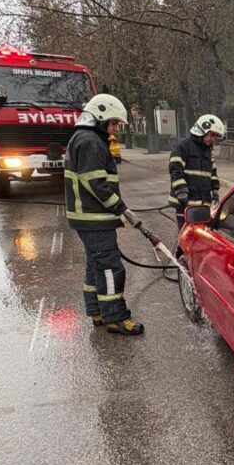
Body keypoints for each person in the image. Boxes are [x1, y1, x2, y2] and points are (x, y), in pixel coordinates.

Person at [64, 94, 144, 336]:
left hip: (89, 219)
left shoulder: (85, 139)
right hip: (94, 219)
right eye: (113, 122)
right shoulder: (90, 142)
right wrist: (121, 209)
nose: (115, 128)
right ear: (99, 117)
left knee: (95, 266)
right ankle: (115, 318)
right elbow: (96, 184)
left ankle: (97, 311)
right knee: (110, 269)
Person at [169, 114, 225, 229]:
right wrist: (181, 191)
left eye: (215, 136)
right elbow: (175, 169)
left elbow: (212, 171)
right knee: (186, 234)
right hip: (185, 204)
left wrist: (215, 188)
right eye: (212, 135)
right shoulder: (183, 146)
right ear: (202, 130)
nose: (213, 139)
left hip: (202, 205)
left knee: (199, 235)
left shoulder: (207, 150)